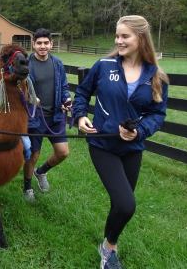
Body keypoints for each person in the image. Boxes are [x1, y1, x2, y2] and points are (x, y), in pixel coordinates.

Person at [72, 15, 169, 269]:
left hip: (132, 148)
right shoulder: (104, 66)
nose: (119, 41)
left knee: (121, 205)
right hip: (102, 144)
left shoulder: (155, 75)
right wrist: (80, 116)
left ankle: (108, 243)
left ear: (141, 38)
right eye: (117, 36)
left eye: (125, 36)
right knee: (127, 204)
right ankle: (109, 250)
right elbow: (82, 92)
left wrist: (139, 132)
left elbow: (157, 115)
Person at [23, 28, 72, 202]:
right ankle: (27, 187)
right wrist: (29, 97)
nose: (42, 46)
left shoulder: (57, 63)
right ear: (33, 44)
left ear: (51, 44)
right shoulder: (26, 64)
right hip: (35, 117)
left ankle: (41, 172)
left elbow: (64, 87)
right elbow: (18, 89)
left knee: (63, 152)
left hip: (56, 117)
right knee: (33, 155)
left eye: (46, 43)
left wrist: (67, 99)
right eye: (39, 43)